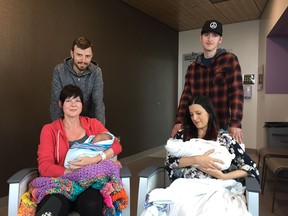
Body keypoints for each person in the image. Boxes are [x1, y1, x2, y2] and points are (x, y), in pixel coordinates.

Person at [37, 84, 122, 216]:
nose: (73, 104)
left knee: (91, 205)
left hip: (88, 185)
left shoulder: (93, 124)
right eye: (68, 100)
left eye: (77, 100)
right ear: (60, 104)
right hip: (60, 184)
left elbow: (116, 145)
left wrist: (95, 159)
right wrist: (72, 173)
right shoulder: (50, 130)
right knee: (51, 209)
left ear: (82, 104)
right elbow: (44, 166)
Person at [171, 19, 244, 143]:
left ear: (220, 39)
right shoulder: (192, 67)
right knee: (197, 160)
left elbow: (236, 92)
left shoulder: (229, 60)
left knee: (219, 160)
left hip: (220, 126)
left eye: (214, 35)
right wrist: (179, 121)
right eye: (206, 35)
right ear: (201, 38)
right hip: (197, 125)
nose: (210, 39)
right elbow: (186, 97)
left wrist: (235, 122)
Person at [166, 95, 259, 183]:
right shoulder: (182, 135)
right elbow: (169, 162)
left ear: (209, 113)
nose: (194, 118)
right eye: (191, 114)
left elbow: (251, 167)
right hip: (184, 187)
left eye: (198, 113)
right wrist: (197, 160)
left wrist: (223, 176)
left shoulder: (225, 139)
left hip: (215, 188)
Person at [50, 36, 105, 125]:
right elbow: (56, 103)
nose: (83, 60)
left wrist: (100, 130)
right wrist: (58, 129)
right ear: (72, 54)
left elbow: (98, 103)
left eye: (87, 56)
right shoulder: (59, 70)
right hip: (66, 123)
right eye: (79, 55)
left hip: (89, 124)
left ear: (92, 56)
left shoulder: (96, 72)